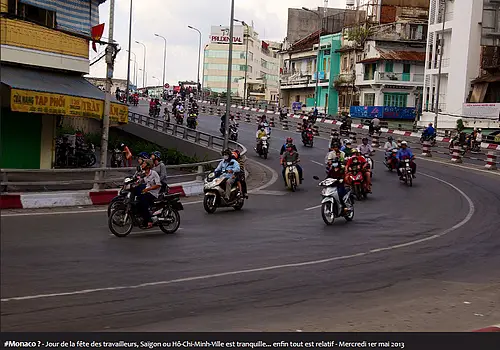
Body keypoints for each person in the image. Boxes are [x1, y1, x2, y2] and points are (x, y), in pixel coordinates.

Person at [138, 160, 162, 229]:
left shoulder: (154, 173)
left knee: (142, 201)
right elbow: (139, 181)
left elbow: (158, 185)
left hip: (153, 193)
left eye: (144, 163)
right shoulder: (144, 174)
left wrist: (148, 189)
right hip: (147, 191)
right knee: (137, 200)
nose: (142, 164)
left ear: (148, 166)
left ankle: (149, 220)